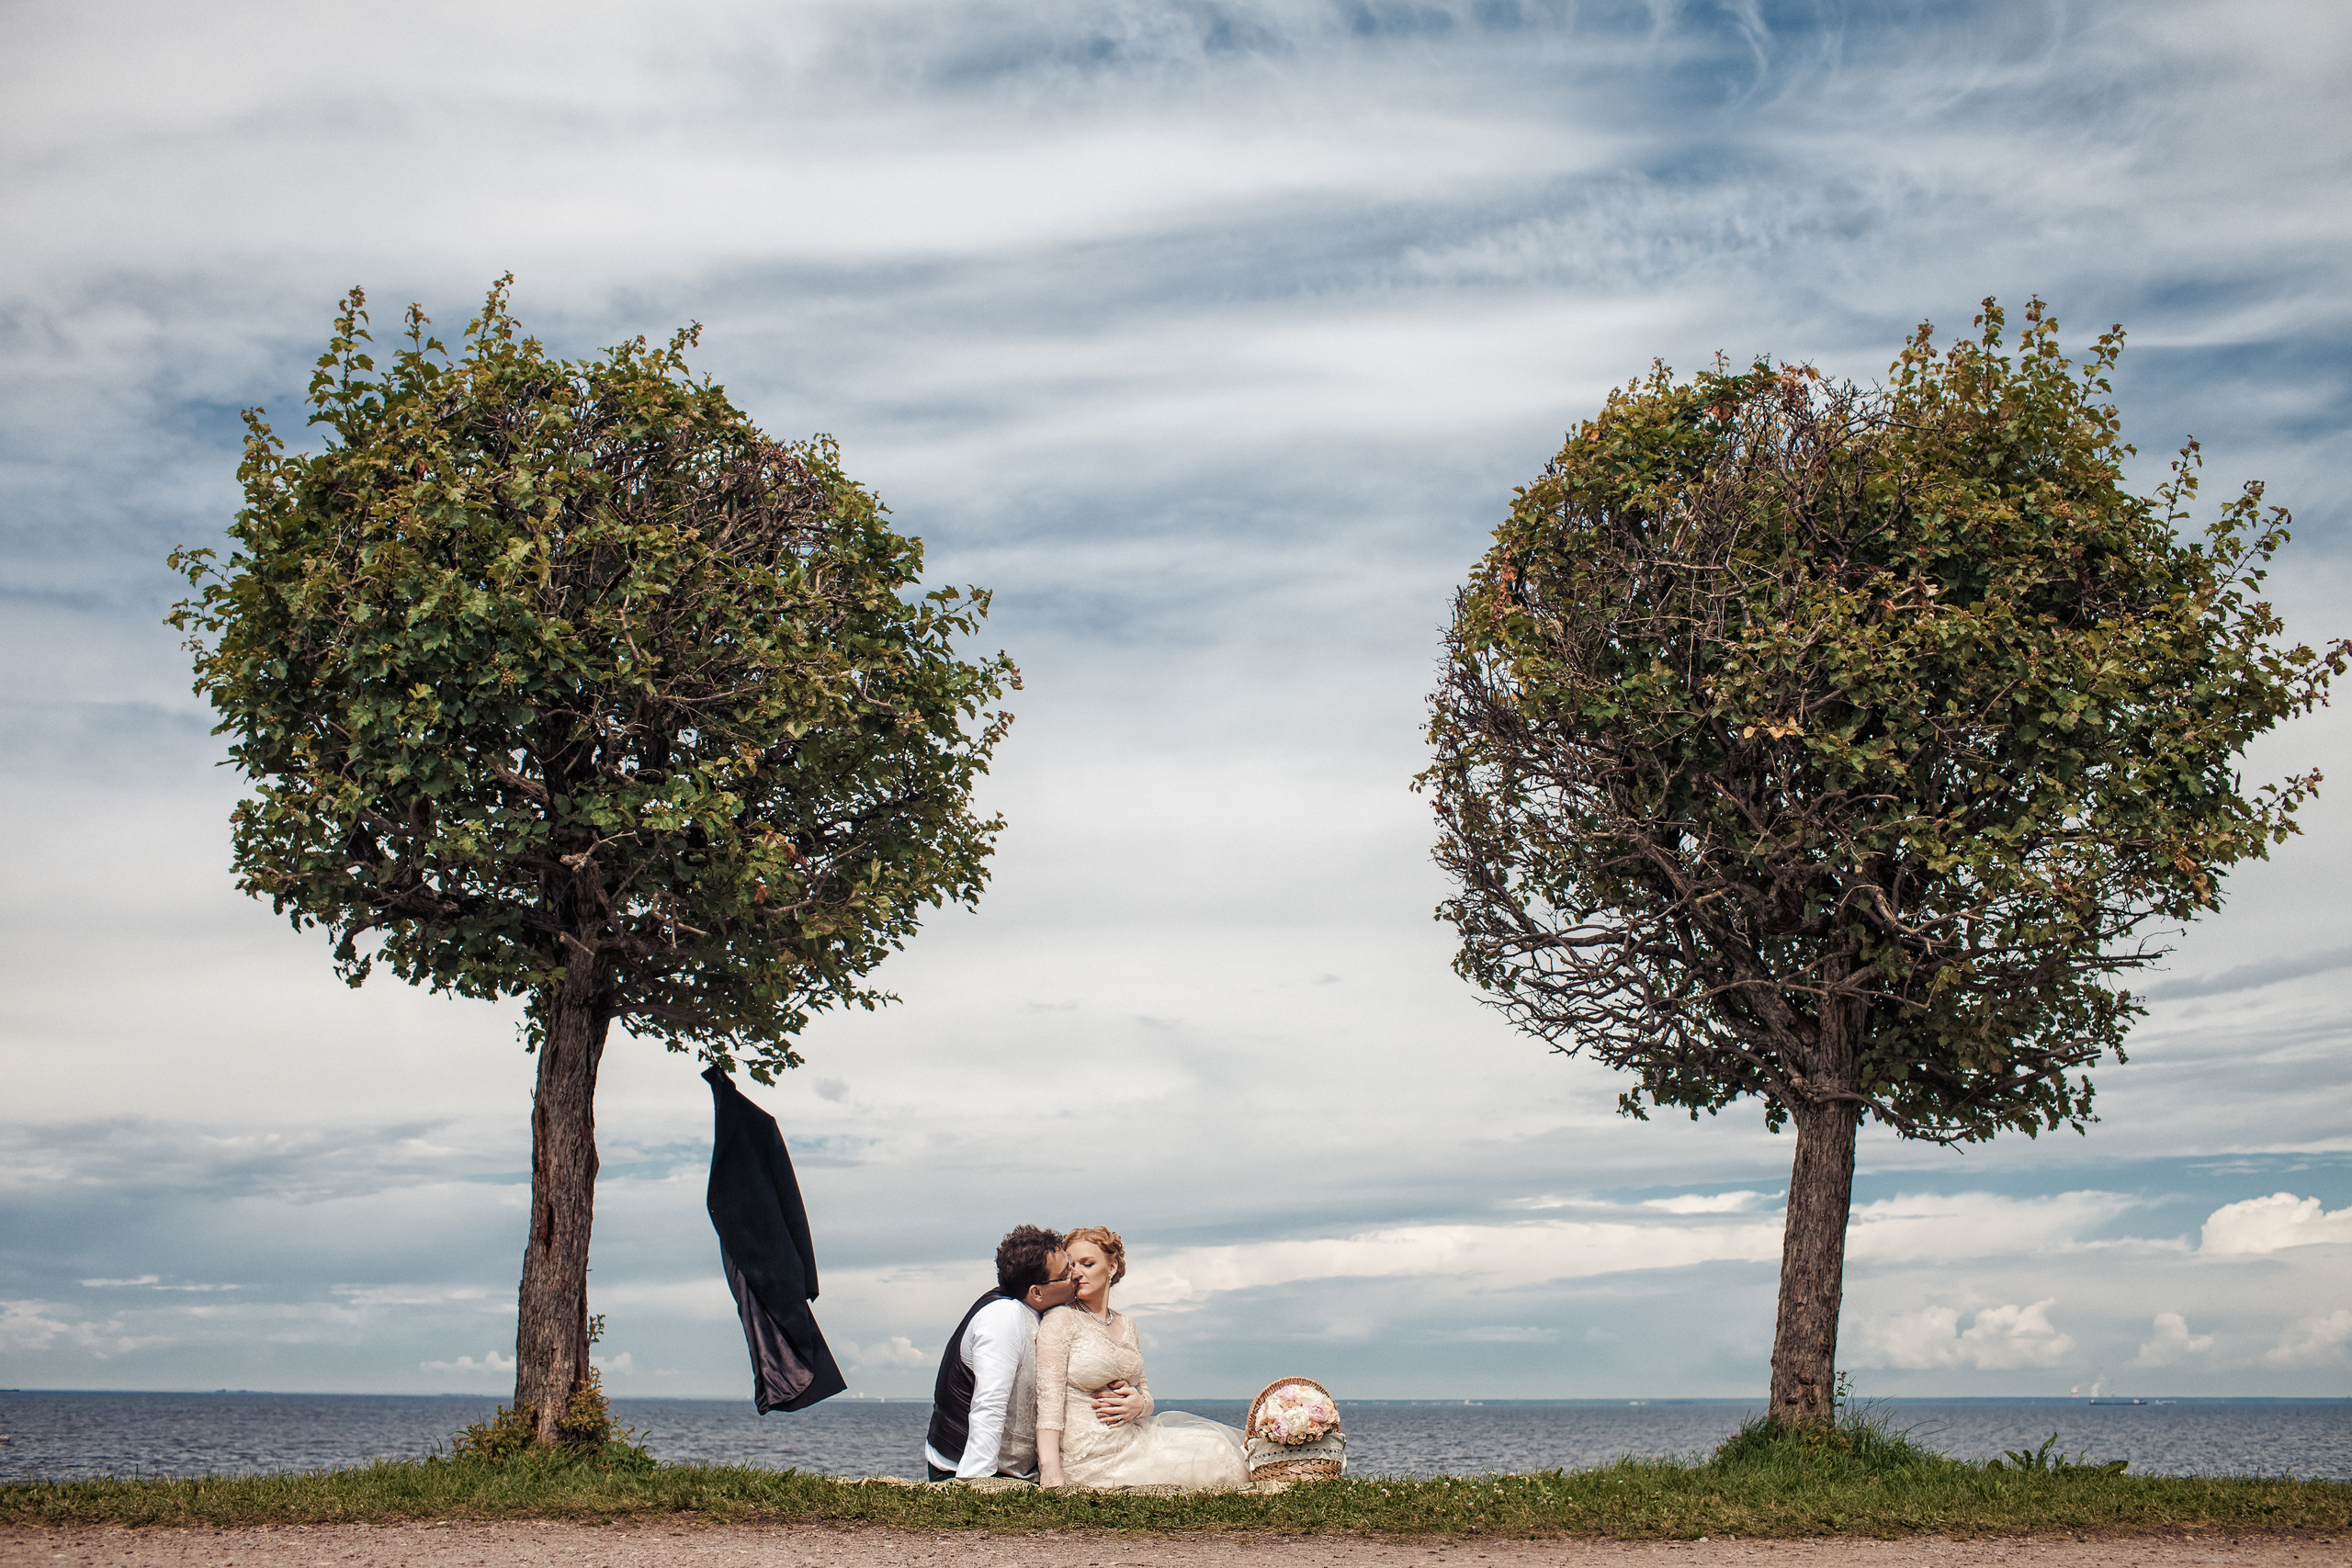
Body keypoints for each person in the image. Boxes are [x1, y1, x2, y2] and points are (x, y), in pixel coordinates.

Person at [1035, 1225, 1248, 1490]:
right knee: (1208, 1461)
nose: (1077, 1273)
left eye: (1088, 1264)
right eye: (1071, 1266)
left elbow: (1144, 1391)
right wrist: (1050, 1468)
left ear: (1111, 1268)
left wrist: (1139, 1405)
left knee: (1218, 1447)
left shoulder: (1127, 1325)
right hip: (1090, 1455)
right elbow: (1048, 1401)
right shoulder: (1061, 1319)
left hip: (1135, 1437)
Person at [922, 1224, 1083, 1482]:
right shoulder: (1003, 1317)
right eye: (1066, 1273)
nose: (1077, 1275)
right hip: (961, 1469)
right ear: (1037, 1292)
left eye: (1071, 1263)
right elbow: (990, 1403)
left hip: (1012, 1470)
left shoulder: (1034, 1312)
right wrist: (977, 1486)